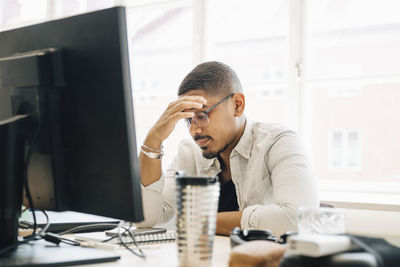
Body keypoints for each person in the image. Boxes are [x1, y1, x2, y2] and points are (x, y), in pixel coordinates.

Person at [138, 61, 318, 236]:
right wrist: (153, 140)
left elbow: (297, 219)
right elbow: (147, 219)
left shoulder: (278, 142)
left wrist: (200, 222)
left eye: (202, 115)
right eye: (188, 120)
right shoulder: (190, 153)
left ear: (237, 105)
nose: (194, 130)